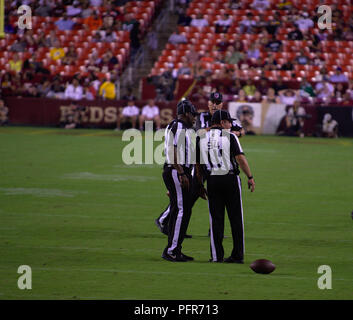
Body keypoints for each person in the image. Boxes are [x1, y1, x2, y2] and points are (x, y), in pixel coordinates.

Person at [155, 93, 244, 237]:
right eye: (212, 102)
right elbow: (199, 133)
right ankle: (165, 219)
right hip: (199, 160)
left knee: (214, 195)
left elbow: (241, 130)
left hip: (215, 161)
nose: (215, 105)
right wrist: (221, 131)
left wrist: (233, 133)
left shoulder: (224, 117)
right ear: (208, 103)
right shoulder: (201, 117)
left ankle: (213, 230)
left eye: (218, 102)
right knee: (190, 193)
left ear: (222, 103)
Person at [196, 110, 255, 263]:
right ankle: (237, 255)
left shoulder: (202, 137)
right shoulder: (230, 136)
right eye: (229, 121)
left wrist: (200, 184)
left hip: (212, 180)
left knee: (216, 219)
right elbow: (240, 158)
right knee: (236, 218)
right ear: (222, 122)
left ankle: (216, 256)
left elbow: (198, 164)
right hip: (230, 179)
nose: (230, 124)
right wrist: (250, 177)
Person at [161, 99, 201, 262]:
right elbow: (173, 150)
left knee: (183, 210)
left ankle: (175, 247)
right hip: (176, 170)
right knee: (181, 210)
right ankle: (172, 250)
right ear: (185, 113)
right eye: (193, 114)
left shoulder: (184, 128)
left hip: (180, 170)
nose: (194, 118)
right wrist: (181, 172)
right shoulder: (178, 126)